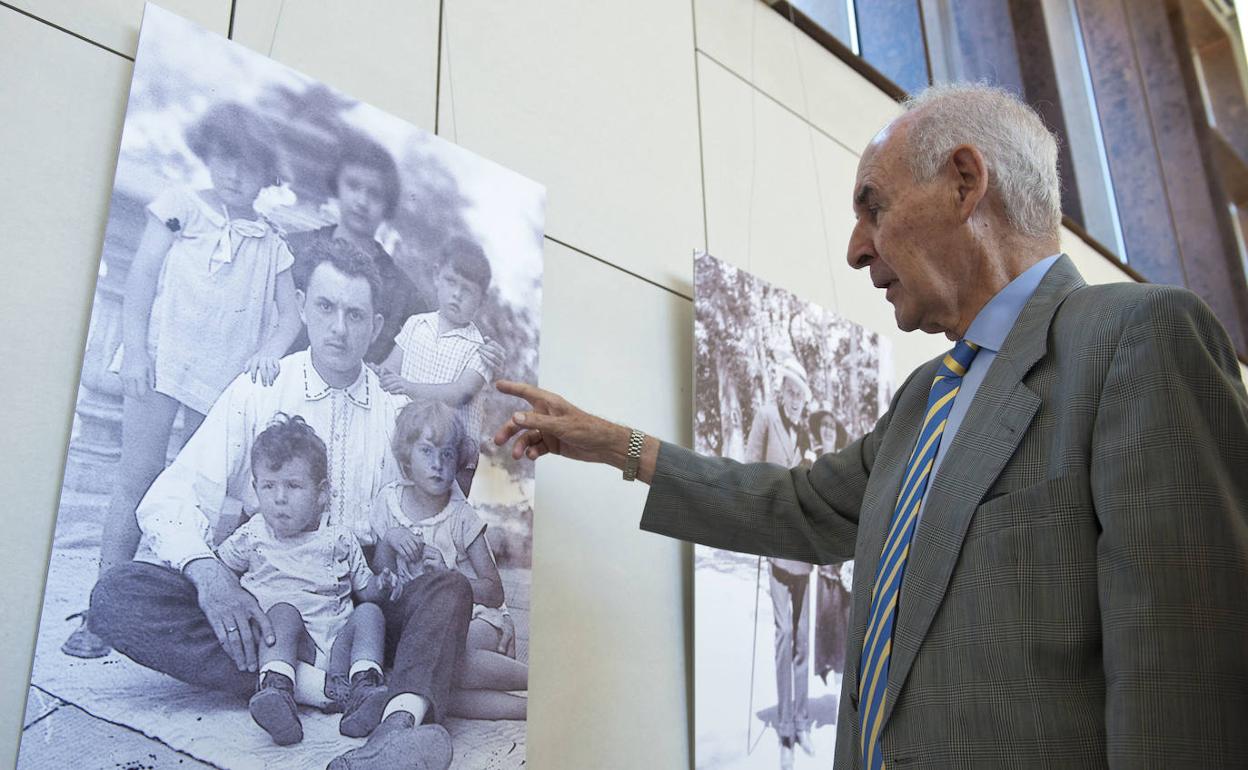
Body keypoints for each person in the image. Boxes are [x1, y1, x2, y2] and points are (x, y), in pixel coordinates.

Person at [492, 83, 1248, 767]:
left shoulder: (1138, 341)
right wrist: (616, 446)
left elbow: (1186, 685)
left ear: (963, 182)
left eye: (873, 207)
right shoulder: (925, 398)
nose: (856, 250)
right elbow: (793, 506)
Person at [89, 237, 468, 770]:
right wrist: (208, 573)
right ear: (303, 304)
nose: (339, 327)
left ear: (377, 327)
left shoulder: (393, 414)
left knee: (448, 590)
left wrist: (408, 563)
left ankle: (396, 729)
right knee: (118, 593)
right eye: (326, 307)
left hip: (363, 615)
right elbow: (173, 494)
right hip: (270, 606)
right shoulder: (260, 389)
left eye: (356, 315)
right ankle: (330, 688)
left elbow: (420, 515)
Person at [64, 101, 303, 659]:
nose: (234, 173)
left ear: (267, 175)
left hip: (220, 384)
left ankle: (180, 603)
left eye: (248, 165)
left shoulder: (270, 244)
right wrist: (137, 353)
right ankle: (101, 606)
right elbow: (140, 280)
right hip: (163, 363)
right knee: (137, 476)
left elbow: (290, 316)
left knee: (199, 493)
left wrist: (267, 354)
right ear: (208, 154)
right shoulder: (180, 208)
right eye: (225, 158)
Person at [218, 414, 402, 745]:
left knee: (369, 614)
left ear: (321, 494)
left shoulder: (339, 538)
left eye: (293, 485)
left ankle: (365, 687)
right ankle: (277, 692)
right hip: (290, 647)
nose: (280, 498)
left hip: (340, 649)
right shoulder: (253, 534)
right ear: (256, 488)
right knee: (283, 613)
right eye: (269, 486)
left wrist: (382, 584)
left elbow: (367, 592)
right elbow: (221, 570)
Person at [373, 399, 528, 721]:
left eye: (447, 453)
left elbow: (494, 591)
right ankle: (533, 709)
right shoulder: (388, 502)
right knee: (430, 681)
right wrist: (389, 544)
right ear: (405, 459)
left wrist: (447, 573)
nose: (438, 464)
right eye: (427, 451)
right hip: (417, 623)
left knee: (444, 661)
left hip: (475, 617)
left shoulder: (461, 517)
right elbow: (381, 576)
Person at [379, 236, 502, 496]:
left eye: (467, 290)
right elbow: (390, 368)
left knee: (443, 521)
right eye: (450, 281)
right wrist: (374, 372)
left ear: (481, 300)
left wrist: (407, 386)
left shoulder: (479, 348)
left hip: (451, 455)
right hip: (409, 442)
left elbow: (460, 393)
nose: (457, 294)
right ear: (436, 276)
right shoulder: (416, 324)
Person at [286, 131, 422, 365]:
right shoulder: (294, 248)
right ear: (337, 184)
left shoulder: (403, 291)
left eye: (375, 194)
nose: (362, 201)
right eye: (353, 185)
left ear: (387, 204)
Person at [744, 357, 816, 768]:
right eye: (790, 393)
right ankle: (785, 729)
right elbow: (750, 469)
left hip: (804, 548)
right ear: (781, 391)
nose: (795, 401)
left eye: (800, 396)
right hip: (774, 541)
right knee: (783, 636)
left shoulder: (802, 427)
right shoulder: (767, 416)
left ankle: (803, 721)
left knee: (803, 639)